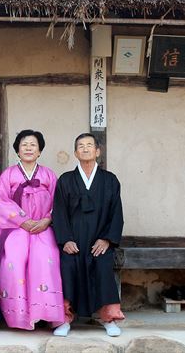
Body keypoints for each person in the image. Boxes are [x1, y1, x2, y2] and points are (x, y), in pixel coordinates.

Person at [0, 129, 69, 334]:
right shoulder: (8, 175)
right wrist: (22, 220)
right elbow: (2, 201)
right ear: (17, 150)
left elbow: (58, 202)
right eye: (24, 144)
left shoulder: (48, 175)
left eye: (33, 145)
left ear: (39, 151)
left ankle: (46, 314)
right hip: (17, 228)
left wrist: (47, 220)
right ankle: (18, 314)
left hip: (42, 227)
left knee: (46, 259)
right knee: (14, 260)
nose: (28, 148)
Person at [52, 133, 125, 337]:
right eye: (80, 146)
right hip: (73, 242)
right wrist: (65, 240)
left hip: (98, 242)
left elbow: (116, 212)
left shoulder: (110, 180)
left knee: (102, 267)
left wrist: (107, 240)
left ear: (97, 151)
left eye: (89, 145)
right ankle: (64, 319)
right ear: (75, 153)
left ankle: (108, 318)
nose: (85, 149)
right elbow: (58, 212)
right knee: (67, 267)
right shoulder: (66, 180)